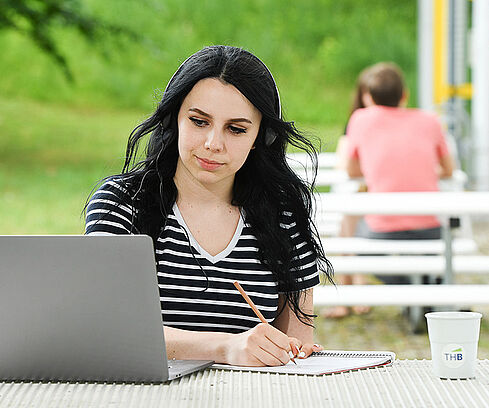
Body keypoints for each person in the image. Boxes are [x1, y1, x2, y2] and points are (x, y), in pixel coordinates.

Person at [85, 45, 333, 367]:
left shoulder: (283, 213)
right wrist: (225, 347)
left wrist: (296, 351)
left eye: (236, 129)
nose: (213, 144)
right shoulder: (121, 203)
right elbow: (107, 328)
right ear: (175, 118)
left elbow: (299, 339)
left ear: (261, 137)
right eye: (199, 122)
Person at [345, 62, 454, 284]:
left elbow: (351, 169)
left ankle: (412, 289)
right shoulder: (430, 120)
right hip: (430, 228)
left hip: (382, 229)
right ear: (405, 95)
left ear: (370, 98)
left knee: (355, 238)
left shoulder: (361, 119)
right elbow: (449, 170)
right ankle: (424, 290)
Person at [323, 67, 374, 319]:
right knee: (347, 220)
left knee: (348, 220)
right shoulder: (356, 123)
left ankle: (352, 290)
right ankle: (350, 290)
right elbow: (345, 163)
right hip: (356, 191)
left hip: (372, 194)